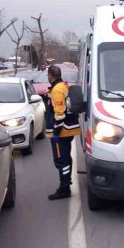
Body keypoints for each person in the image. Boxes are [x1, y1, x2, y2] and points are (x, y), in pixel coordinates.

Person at [45, 65, 81, 200]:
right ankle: (66, 183)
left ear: (50, 76)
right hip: (68, 130)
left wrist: (56, 133)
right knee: (66, 158)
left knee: (61, 160)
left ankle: (64, 188)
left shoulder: (57, 89)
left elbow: (59, 114)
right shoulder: (63, 86)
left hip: (62, 132)